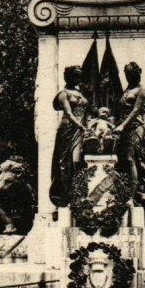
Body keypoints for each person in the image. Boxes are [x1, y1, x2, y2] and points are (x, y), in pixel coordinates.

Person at [115, 62, 145, 213]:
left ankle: (130, 198)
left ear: (139, 72)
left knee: (131, 159)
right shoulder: (127, 90)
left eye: (131, 74)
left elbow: (136, 111)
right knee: (123, 162)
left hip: (134, 128)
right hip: (123, 130)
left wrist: (122, 125)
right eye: (127, 74)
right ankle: (138, 194)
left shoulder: (141, 91)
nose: (129, 77)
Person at [50, 66, 89, 207]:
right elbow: (68, 112)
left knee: (77, 161)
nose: (78, 79)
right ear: (69, 77)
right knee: (64, 164)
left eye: (79, 76)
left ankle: (77, 194)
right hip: (67, 129)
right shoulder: (63, 94)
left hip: (79, 130)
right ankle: (65, 195)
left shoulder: (80, 93)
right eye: (75, 76)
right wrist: (80, 125)